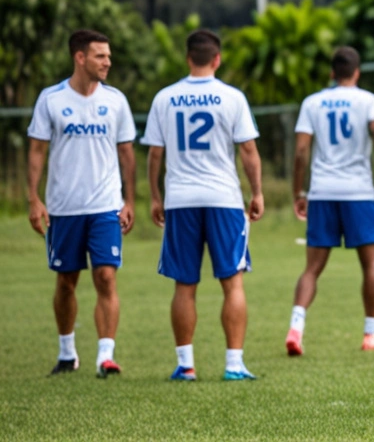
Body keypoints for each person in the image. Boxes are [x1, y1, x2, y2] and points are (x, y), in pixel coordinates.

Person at [142, 30, 264, 381]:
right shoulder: (232, 97)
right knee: (233, 283)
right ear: (217, 59)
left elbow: (154, 153)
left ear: (187, 58)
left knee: (184, 284)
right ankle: (234, 364)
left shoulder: (165, 98)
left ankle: (185, 365)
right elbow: (248, 151)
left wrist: (154, 195)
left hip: (180, 199)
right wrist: (256, 193)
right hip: (224, 199)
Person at [27, 29, 137, 377]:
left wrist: (129, 199)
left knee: (106, 276)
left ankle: (106, 356)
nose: (108, 62)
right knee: (66, 282)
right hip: (64, 207)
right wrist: (34, 198)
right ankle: (66, 352)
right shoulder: (51, 99)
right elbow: (37, 150)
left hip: (105, 205)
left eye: (108, 55)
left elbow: (127, 153)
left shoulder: (116, 100)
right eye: (100, 56)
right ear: (80, 57)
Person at [286, 46, 374, 355]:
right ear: (357, 72)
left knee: (312, 269)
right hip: (358, 192)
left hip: (322, 192)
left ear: (332, 73)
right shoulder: (370, 101)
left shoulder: (312, 102)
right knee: (370, 264)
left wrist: (299, 192)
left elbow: (301, 152)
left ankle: (296, 327)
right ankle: (370, 335)